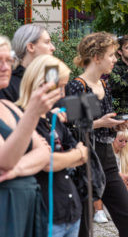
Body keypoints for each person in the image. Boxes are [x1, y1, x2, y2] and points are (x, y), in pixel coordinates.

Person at [66, 32, 128, 237]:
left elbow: (99, 124)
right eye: (111, 55)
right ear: (97, 57)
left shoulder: (104, 84)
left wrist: (115, 126)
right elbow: (73, 127)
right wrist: (101, 123)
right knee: (84, 226)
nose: (115, 59)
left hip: (106, 159)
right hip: (85, 160)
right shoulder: (77, 85)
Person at [18, 54, 86, 237]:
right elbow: (48, 162)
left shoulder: (52, 118)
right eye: (60, 87)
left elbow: (83, 153)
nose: (63, 94)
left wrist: (70, 156)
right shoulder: (22, 119)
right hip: (45, 216)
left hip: (70, 211)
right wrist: (74, 156)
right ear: (41, 84)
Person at [0, 36, 60, 237]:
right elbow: (4, 160)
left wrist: (17, 168)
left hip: (28, 207)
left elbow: (44, 151)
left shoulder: (8, 107)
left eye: (8, 60)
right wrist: (33, 113)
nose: (5, 67)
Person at [0, 23, 55, 102]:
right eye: (47, 42)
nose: (53, 48)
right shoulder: (7, 84)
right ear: (31, 47)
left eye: (8, 60)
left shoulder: (52, 78)